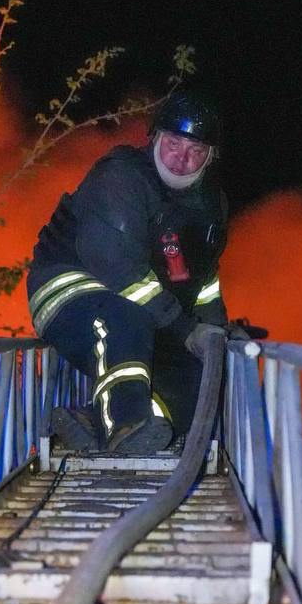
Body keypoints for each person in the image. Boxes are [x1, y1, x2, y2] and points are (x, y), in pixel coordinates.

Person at [27, 88, 229, 454]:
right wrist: (185, 329)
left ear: (210, 156)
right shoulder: (121, 177)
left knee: (197, 378)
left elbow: (203, 281)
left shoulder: (209, 207)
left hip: (151, 313)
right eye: (173, 143)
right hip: (69, 293)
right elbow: (120, 272)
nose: (181, 158)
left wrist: (216, 333)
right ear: (155, 137)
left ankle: (94, 421)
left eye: (195, 150)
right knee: (125, 316)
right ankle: (125, 425)